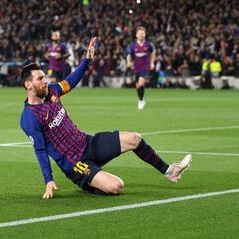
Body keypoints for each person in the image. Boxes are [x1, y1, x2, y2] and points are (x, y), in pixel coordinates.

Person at [20, 37, 192, 199]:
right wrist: (48, 179)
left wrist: (86, 60)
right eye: (40, 78)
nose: (45, 80)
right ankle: (89, 183)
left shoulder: (53, 91)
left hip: (88, 143)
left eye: (44, 77)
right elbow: (41, 150)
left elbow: (71, 81)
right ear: (28, 84)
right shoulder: (30, 117)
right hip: (76, 163)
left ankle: (170, 172)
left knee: (135, 139)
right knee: (117, 186)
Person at [127, 27, 155, 110]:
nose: (141, 35)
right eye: (139, 33)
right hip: (136, 68)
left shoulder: (148, 45)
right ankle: (141, 100)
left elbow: (153, 52)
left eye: (142, 33)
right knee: (138, 86)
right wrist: (128, 62)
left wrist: (152, 62)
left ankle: (140, 101)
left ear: (145, 35)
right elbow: (129, 55)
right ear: (136, 35)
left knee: (141, 83)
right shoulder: (133, 46)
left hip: (145, 67)